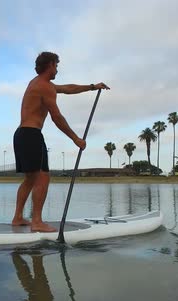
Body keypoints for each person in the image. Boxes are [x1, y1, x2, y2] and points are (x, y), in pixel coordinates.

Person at [12, 52, 109, 232]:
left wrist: (92, 87)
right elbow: (57, 117)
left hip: (21, 135)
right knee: (42, 177)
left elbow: (67, 88)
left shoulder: (37, 83)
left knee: (30, 179)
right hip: (32, 135)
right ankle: (37, 222)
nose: (57, 69)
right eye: (56, 65)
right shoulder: (44, 87)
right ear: (50, 65)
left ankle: (18, 217)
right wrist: (76, 139)